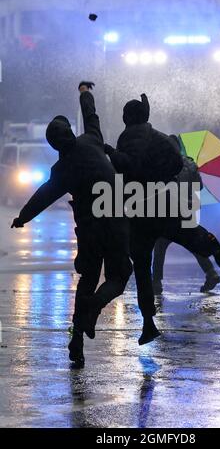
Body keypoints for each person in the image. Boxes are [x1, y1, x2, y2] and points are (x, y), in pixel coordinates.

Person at [11, 82, 132, 367]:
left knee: (87, 281)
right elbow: (92, 116)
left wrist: (23, 218)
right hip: (115, 222)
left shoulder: (61, 170)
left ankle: (76, 340)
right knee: (119, 275)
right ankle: (95, 306)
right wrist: (85, 93)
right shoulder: (91, 139)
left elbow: (43, 195)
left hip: (89, 231)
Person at [104, 94, 220, 345]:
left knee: (142, 266)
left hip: (140, 211)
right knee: (191, 235)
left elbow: (129, 164)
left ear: (127, 118)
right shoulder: (162, 138)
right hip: (167, 203)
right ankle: (214, 246)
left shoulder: (127, 138)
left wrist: (110, 152)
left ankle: (148, 323)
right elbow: (174, 165)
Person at [152, 135, 220, 294]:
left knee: (160, 246)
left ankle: (156, 283)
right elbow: (200, 187)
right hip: (188, 211)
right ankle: (211, 273)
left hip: (168, 213)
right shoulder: (190, 164)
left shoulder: (163, 165)